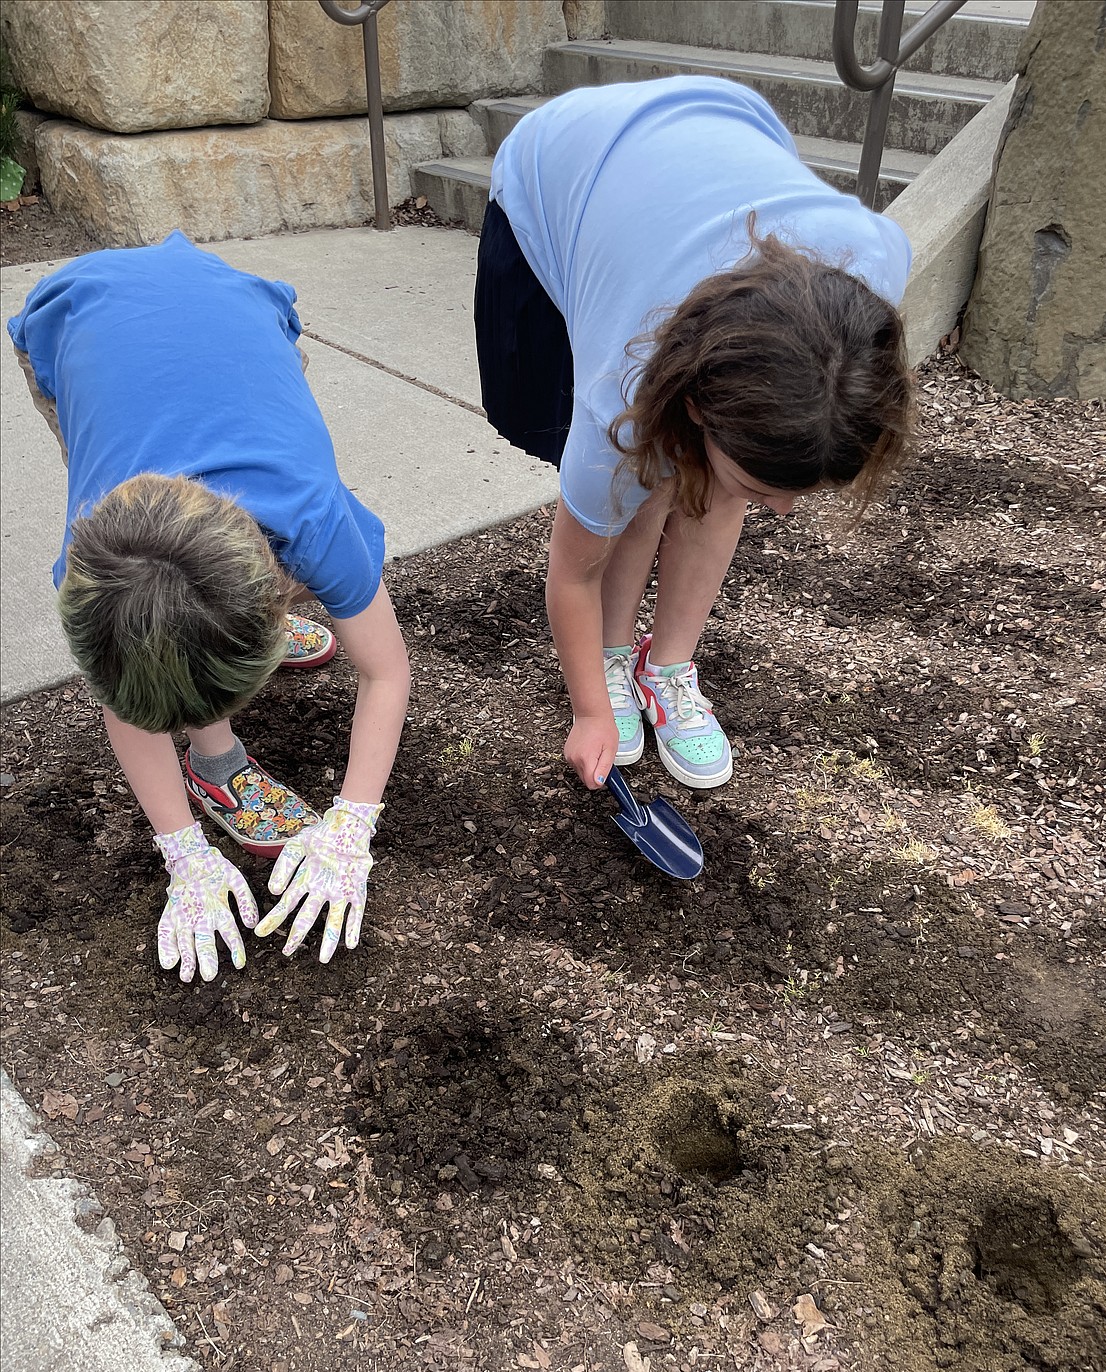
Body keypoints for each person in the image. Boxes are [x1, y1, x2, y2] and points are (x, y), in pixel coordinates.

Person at [475, 76, 914, 793]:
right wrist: (588, 712)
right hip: (561, 167)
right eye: (766, 489)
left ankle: (667, 667)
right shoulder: (621, 389)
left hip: (723, 121)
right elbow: (572, 571)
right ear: (703, 406)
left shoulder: (870, 276)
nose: (785, 512)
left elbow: (751, 454)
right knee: (639, 475)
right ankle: (612, 659)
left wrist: (744, 474)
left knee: (708, 481)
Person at [8, 232, 410, 983]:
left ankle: (226, 632)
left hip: (238, 307)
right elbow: (124, 692)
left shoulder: (315, 517)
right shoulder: (94, 567)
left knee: (237, 589)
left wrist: (354, 822)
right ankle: (214, 755)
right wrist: (183, 851)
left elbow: (386, 673)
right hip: (73, 321)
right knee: (155, 637)